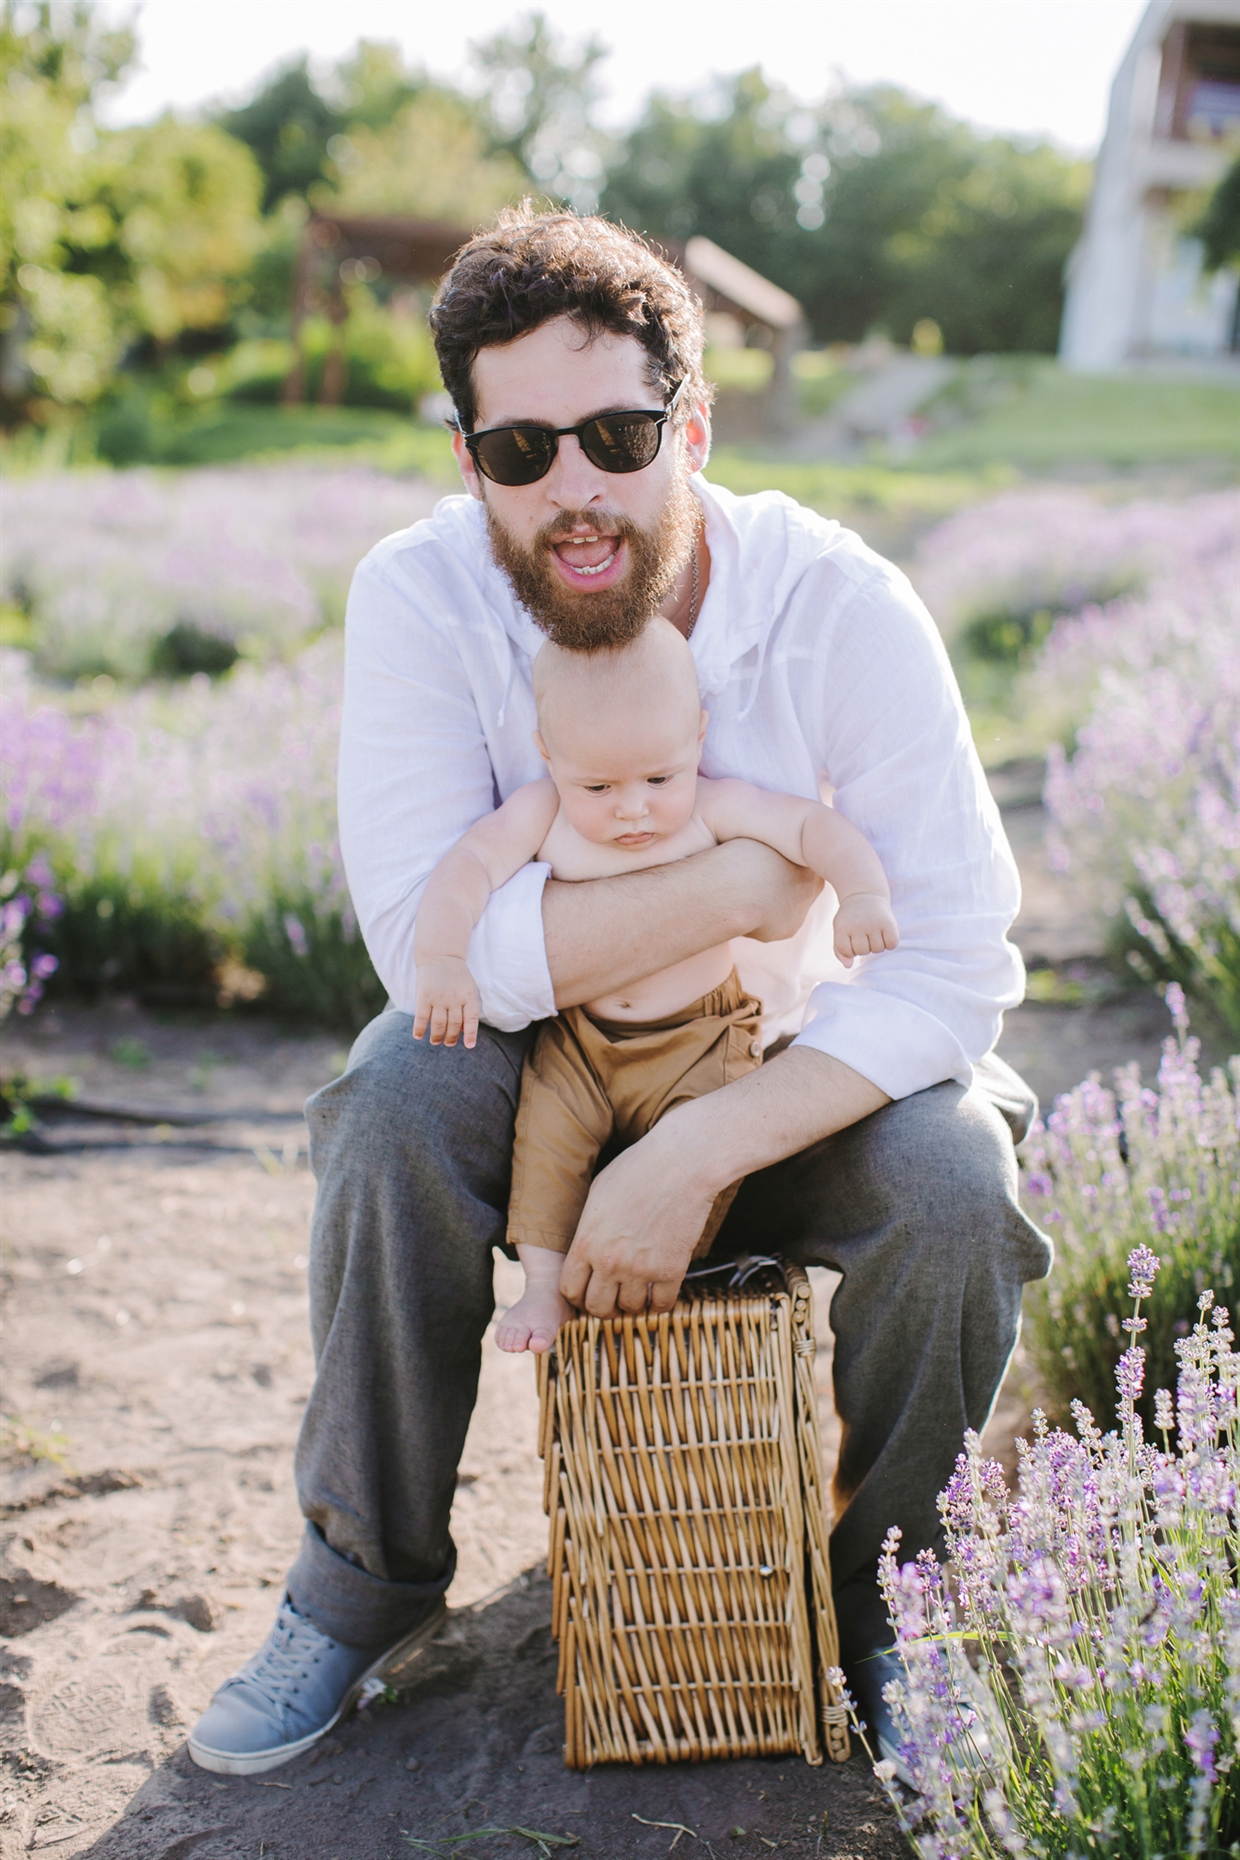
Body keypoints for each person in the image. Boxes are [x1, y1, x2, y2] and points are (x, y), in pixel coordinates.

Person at [188, 206, 1051, 1781]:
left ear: (693, 432)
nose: (572, 487)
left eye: (617, 434)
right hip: (554, 1083)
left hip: (804, 1069)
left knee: (955, 1184)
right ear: (469, 461)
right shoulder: (423, 598)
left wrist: (696, 1155)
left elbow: (956, 955)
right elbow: (427, 950)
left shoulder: (839, 604)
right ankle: (356, 1589)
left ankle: (890, 1611)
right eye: (519, 447)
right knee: (388, 1097)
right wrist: (732, 885)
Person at [412, 618, 899, 1354]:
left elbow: (811, 829)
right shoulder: (543, 810)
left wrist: (863, 894)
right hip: (581, 1040)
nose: (632, 808)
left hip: (700, 1036)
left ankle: (688, 1274)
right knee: (545, 1142)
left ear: (697, 738)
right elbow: (468, 867)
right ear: (549, 755)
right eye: (598, 785)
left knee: (700, 1160)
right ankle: (544, 1285)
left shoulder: (710, 804)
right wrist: (443, 960)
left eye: (657, 779)